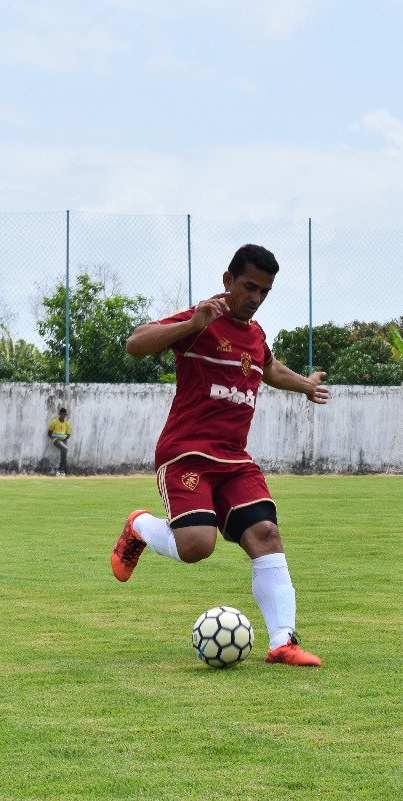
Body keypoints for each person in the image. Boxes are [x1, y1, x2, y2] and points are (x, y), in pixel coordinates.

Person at [110, 244, 330, 667]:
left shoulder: (255, 333)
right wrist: (191, 324)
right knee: (196, 546)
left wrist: (305, 384)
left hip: (234, 459)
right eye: (249, 287)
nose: (255, 297)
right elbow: (136, 343)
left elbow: (269, 368)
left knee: (265, 534)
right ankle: (138, 526)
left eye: (264, 291)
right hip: (186, 454)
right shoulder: (203, 317)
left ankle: (283, 642)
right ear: (228, 280)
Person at [47, 407, 70, 476]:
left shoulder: (67, 424)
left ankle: (63, 472)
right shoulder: (54, 422)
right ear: (59, 414)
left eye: (64, 414)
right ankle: (62, 469)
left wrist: (63, 438)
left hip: (64, 440)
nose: (63, 416)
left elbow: (68, 435)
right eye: (62, 414)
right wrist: (56, 437)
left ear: (66, 415)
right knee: (65, 449)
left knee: (64, 453)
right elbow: (49, 433)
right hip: (56, 440)